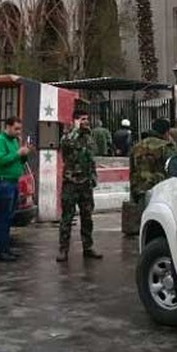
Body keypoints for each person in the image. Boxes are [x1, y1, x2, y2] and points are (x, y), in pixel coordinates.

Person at [57, 110, 102, 262]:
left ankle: (88, 247)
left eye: (87, 119)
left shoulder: (88, 137)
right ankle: (63, 249)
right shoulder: (68, 136)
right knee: (67, 218)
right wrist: (76, 130)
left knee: (87, 217)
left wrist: (93, 176)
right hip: (71, 183)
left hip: (85, 183)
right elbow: (65, 148)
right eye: (82, 119)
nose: (86, 122)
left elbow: (91, 159)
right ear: (75, 121)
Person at [0, 116, 31, 262]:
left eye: (20, 129)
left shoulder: (14, 141)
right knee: (3, 217)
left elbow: (18, 161)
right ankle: (1, 251)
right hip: (3, 182)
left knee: (9, 217)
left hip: (13, 182)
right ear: (8, 126)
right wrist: (17, 153)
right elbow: (0, 160)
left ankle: (6, 249)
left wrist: (24, 155)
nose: (18, 132)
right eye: (16, 129)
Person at [130, 119, 177, 206]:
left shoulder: (137, 146)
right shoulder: (167, 147)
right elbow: (173, 171)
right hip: (159, 190)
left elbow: (132, 170)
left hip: (138, 190)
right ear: (167, 132)